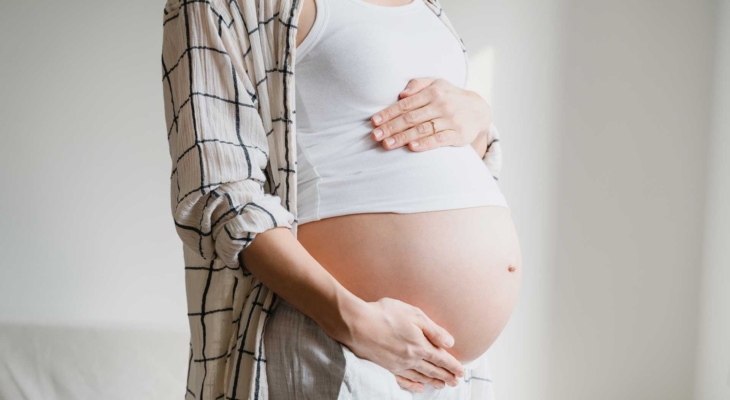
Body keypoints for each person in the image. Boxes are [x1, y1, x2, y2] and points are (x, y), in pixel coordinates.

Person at [160, 0, 522, 398]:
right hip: (340, 343)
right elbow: (218, 190)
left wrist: (478, 117)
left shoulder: (430, 9)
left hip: (452, 369)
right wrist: (355, 323)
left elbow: (451, 159)